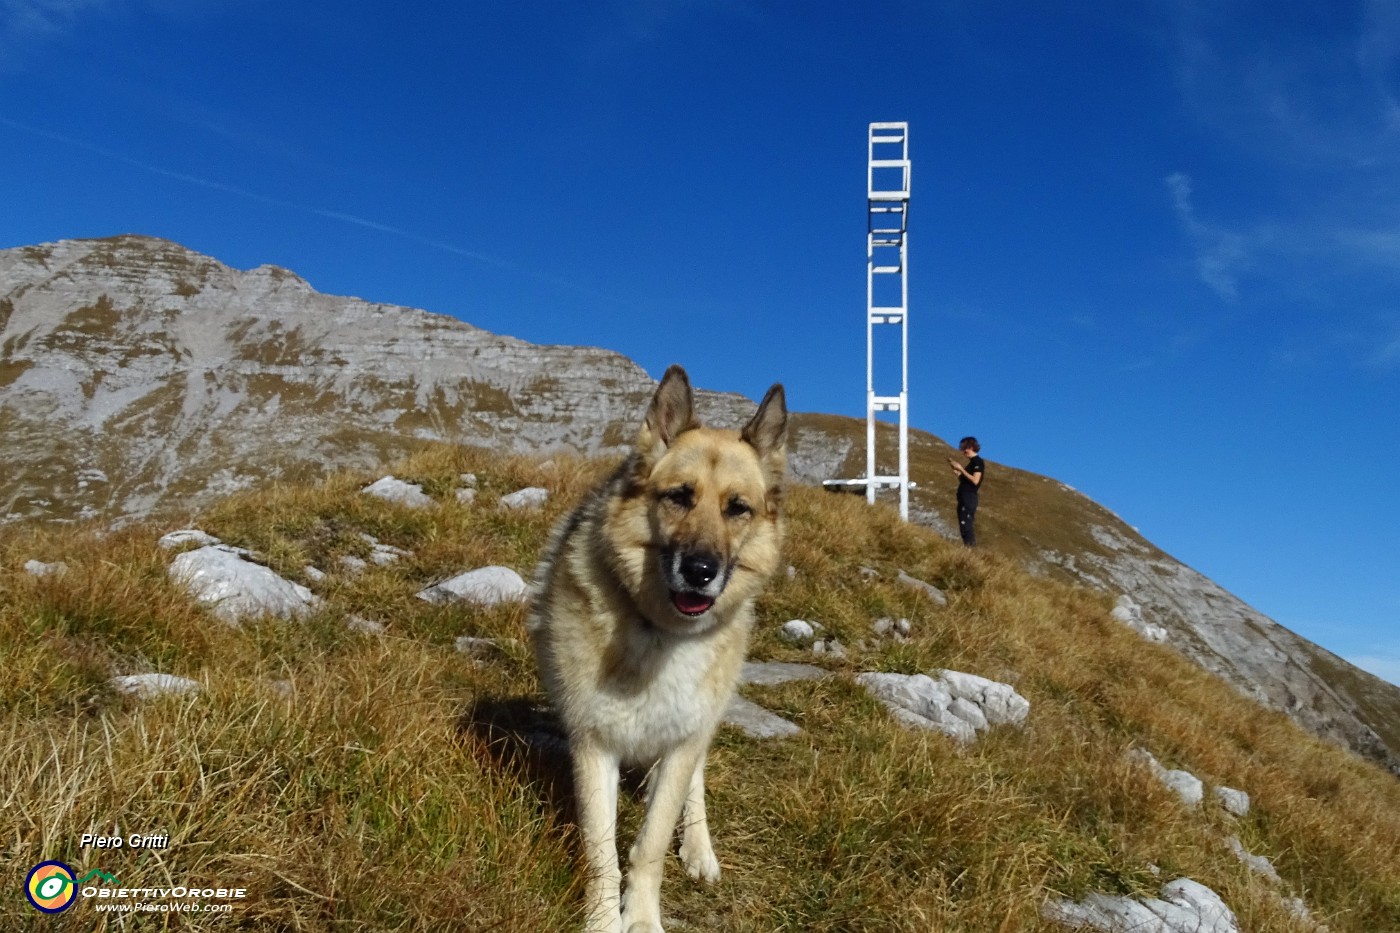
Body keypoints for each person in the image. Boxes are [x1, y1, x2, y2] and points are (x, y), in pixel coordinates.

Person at [948, 436, 984, 547]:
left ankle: (971, 550)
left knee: (967, 525)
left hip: (969, 498)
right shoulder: (972, 463)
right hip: (964, 497)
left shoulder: (977, 462)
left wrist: (961, 469)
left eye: (965, 448)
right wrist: (958, 472)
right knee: (963, 525)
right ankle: (968, 548)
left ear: (971, 447)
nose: (963, 451)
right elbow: (966, 480)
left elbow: (975, 480)